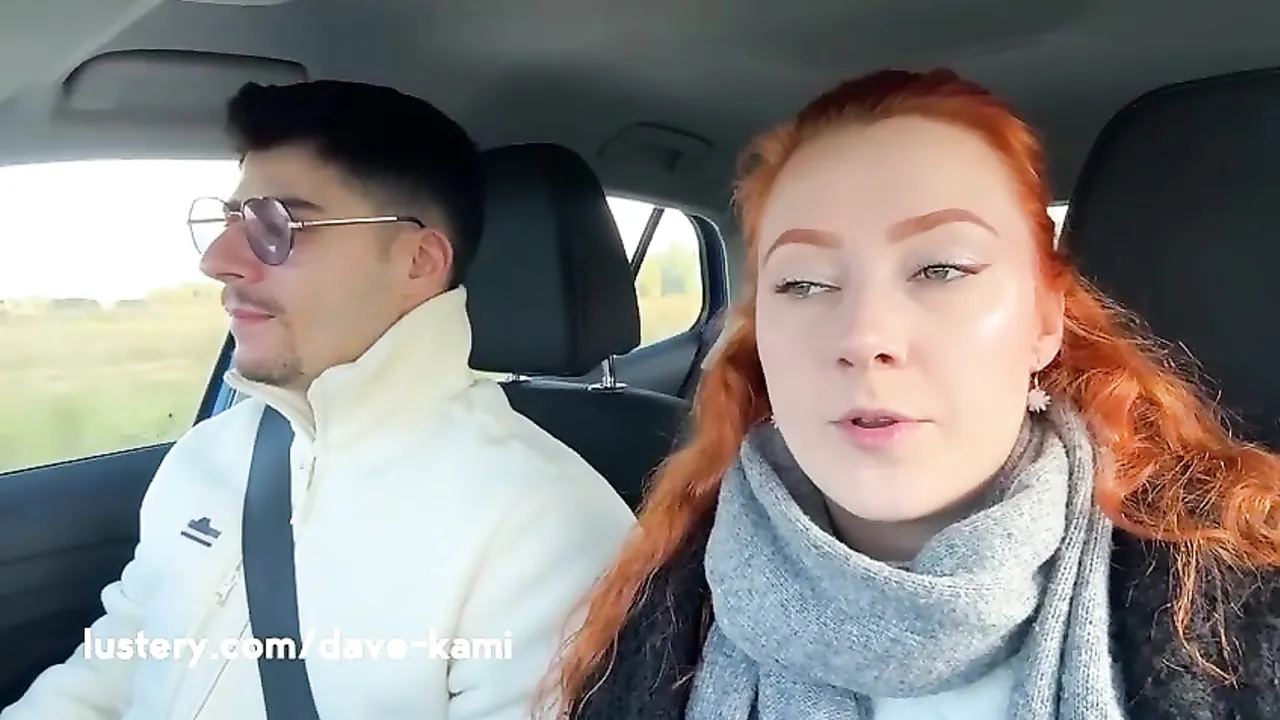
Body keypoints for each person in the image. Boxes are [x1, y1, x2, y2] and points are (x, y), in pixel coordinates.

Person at [547, 69, 1280, 719]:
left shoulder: (1237, 603)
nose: (864, 335)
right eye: (804, 282)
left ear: (1043, 323)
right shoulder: (657, 611)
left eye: (941, 269)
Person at [2, 80, 634, 719]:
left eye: (279, 224)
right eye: (229, 220)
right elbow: (114, 665)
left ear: (418, 261)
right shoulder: (211, 455)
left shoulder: (547, 526)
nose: (218, 260)